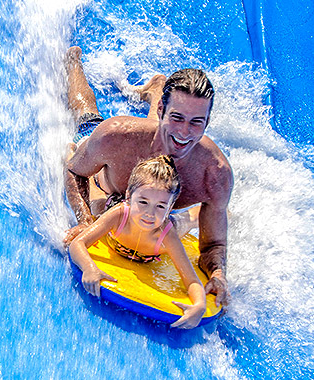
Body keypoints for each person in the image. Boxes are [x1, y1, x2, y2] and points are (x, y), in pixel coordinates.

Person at [64, 46, 233, 306]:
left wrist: (218, 274)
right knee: (87, 115)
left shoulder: (214, 174)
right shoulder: (117, 136)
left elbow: (213, 246)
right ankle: (72, 61)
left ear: (208, 121)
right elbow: (74, 171)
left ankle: (157, 87)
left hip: (154, 211)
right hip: (107, 192)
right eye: (177, 116)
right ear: (163, 110)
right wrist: (85, 220)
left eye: (196, 122)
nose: (186, 132)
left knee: (167, 137)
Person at [69, 155, 206, 329]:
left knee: (186, 222)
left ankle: (205, 210)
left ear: (170, 207)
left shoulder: (167, 236)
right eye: (143, 202)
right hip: (120, 211)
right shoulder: (119, 214)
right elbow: (77, 244)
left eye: (161, 206)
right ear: (128, 196)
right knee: (97, 205)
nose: (150, 213)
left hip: (164, 227)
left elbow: (192, 280)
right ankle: (75, 158)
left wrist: (200, 305)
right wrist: (89, 267)